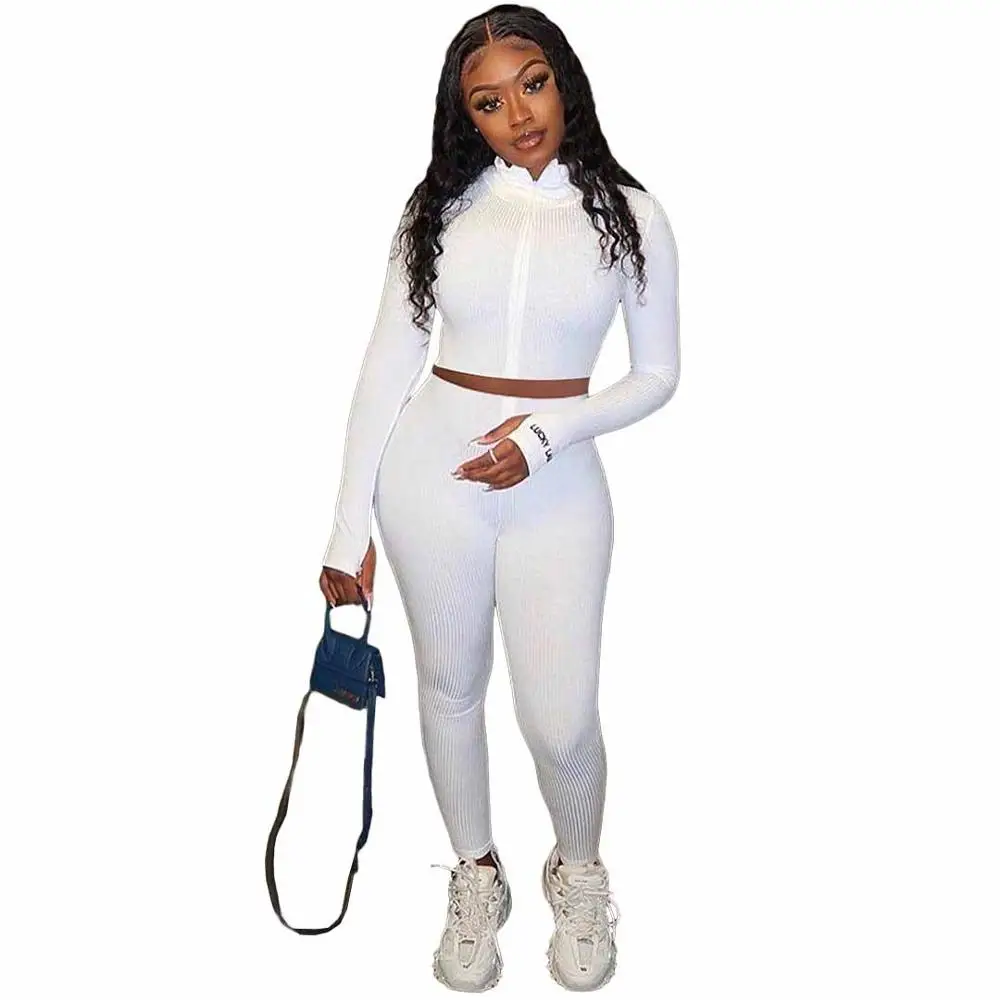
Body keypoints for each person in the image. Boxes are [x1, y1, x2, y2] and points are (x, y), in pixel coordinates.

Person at [318, 4, 679, 992]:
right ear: (463, 114)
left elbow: (657, 375)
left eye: (533, 84)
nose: (518, 116)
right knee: (449, 686)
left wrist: (544, 435)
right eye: (487, 102)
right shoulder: (436, 210)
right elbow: (386, 366)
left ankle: (579, 867)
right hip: (427, 483)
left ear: (565, 80)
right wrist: (348, 528)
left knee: (561, 717)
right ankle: (476, 873)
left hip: (558, 490)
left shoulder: (633, 217)